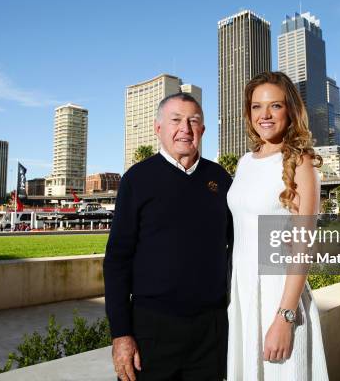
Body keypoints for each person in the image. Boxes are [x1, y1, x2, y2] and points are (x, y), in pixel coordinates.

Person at [104, 92, 233, 381]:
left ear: (202, 129)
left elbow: (241, 244)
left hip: (210, 331)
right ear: (158, 128)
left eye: (193, 121)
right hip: (151, 330)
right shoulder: (137, 179)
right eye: (176, 120)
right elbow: (116, 261)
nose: (185, 129)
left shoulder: (221, 179)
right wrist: (121, 334)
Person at [227, 71, 328, 380]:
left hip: (279, 295)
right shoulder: (244, 162)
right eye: (257, 107)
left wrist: (285, 317)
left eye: (275, 106)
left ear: (290, 111)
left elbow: (303, 245)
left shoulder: (301, 162)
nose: (265, 115)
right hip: (242, 293)